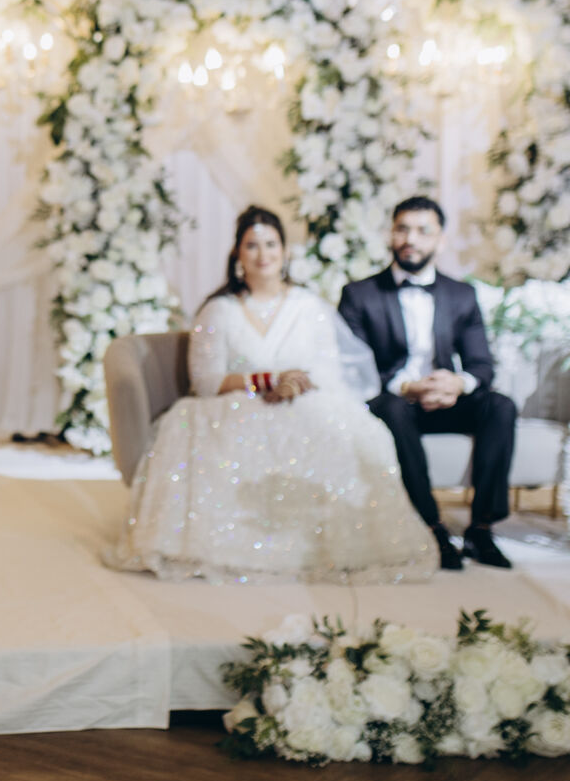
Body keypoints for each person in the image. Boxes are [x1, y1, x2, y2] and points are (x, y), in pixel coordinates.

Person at [108, 206, 436, 585]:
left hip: (305, 402)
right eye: (252, 245)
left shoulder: (308, 307)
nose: (262, 254)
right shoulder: (218, 311)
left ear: (285, 251)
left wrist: (295, 385)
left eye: (271, 244)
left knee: (353, 432)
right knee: (213, 430)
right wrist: (266, 381)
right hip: (236, 406)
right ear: (238, 254)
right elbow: (206, 381)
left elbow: (328, 371)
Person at [338, 195, 517, 571]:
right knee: (392, 408)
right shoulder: (359, 295)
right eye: (403, 229)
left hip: (446, 400)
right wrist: (407, 387)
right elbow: (352, 368)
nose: (411, 239)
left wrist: (457, 384)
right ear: (390, 234)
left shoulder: (461, 294)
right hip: (393, 403)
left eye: (423, 231)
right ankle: (432, 528)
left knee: (500, 405)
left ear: (441, 240)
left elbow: (482, 365)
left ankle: (481, 529)